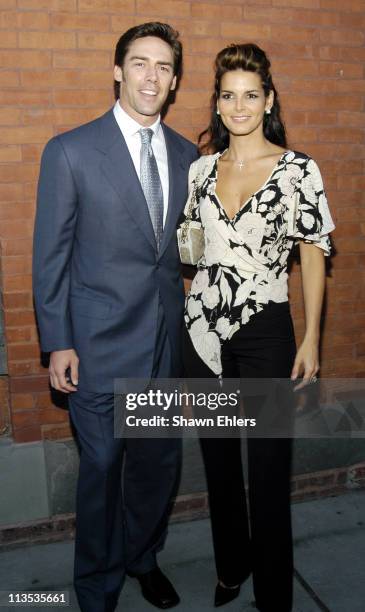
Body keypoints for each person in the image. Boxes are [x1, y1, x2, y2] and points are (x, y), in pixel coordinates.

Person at [33, 22, 197, 612]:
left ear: (175, 80)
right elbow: (50, 257)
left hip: (161, 345)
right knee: (102, 470)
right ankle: (96, 586)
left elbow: (181, 251)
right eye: (139, 63)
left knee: (156, 466)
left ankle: (143, 557)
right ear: (117, 70)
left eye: (163, 66)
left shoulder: (187, 155)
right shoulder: (71, 151)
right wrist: (58, 343)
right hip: (95, 347)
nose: (151, 76)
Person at [181, 43, 335, 612]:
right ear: (217, 105)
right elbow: (192, 250)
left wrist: (312, 337)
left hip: (267, 330)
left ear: (267, 100)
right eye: (228, 96)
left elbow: (315, 253)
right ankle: (230, 568)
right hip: (202, 335)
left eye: (251, 95)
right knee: (218, 464)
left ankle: (274, 595)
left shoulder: (298, 170)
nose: (239, 106)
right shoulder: (200, 170)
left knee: (267, 471)